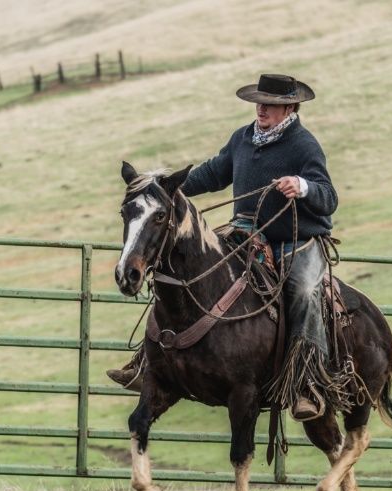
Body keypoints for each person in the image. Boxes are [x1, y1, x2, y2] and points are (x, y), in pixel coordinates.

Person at [109, 73, 340, 422]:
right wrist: (165, 189)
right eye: (258, 102)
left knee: (304, 291)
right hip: (246, 235)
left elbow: (328, 197)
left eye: (270, 104)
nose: (261, 109)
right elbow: (214, 174)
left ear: (289, 108)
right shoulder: (243, 138)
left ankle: (307, 383)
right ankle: (148, 362)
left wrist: (303, 186)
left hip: (296, 242)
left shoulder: (304, 146)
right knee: (185, 265)